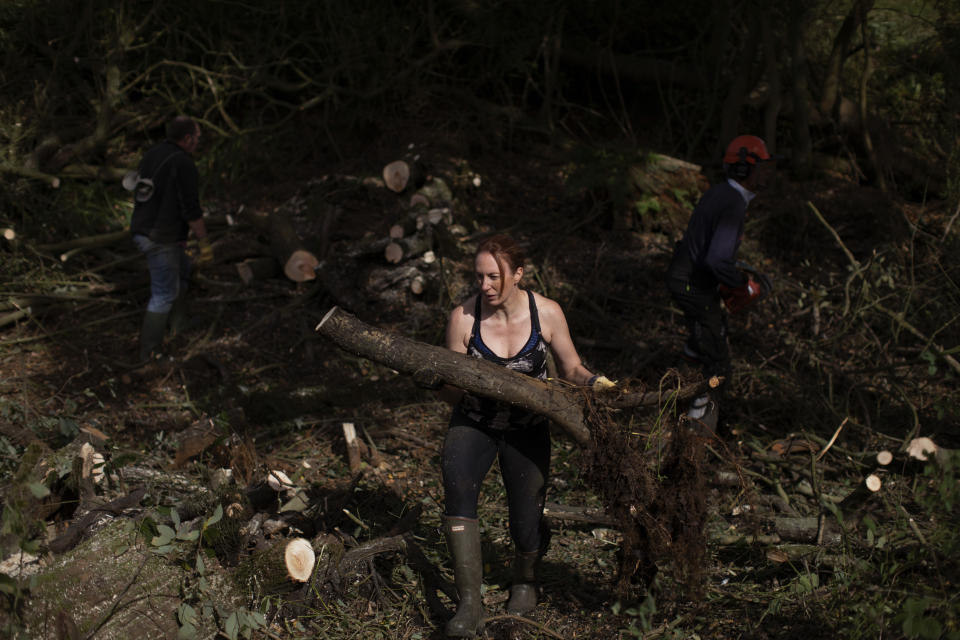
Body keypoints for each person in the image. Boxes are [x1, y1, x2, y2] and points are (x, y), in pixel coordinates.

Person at [437, 233, 614, 637]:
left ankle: (525, 579)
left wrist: (598, 384)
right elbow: (452, 391)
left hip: (527, 430)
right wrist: (435, 382)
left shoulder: (546, 313)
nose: (485, 286)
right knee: (458, 491)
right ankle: (469, 604)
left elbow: (571, 369)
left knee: (525, 522)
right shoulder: (463, 318)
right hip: (474, 423)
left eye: (494, 277)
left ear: (517, 274)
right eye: (479, 277)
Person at [665, 134, 775, 433]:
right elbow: (716, 260)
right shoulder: (733, 203)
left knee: (705, 335)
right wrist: (742, 286)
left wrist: (732, 280)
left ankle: (673, 393)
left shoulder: (720, 194)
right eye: (761, 167)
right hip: (693, 285)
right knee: (717, 364)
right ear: (744, 168)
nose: (766, 173)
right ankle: (697, 433)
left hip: (688, 280)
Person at [130, 116, 212, 361]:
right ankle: (150, 352)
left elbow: (160, 197)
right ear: (186, 139)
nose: (198, 142)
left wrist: (179, 236)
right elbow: (190, 209)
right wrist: (204, 242)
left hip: (145, 229)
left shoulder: (153, 154)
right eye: (197, 138)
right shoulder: (183, 163)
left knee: (183, 270)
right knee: (163, 293)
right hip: (158, 238)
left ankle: (179, 323)